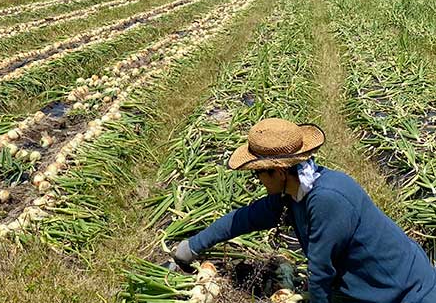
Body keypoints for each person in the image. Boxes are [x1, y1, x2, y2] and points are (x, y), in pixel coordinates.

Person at [172, 118, 436, 303]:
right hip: (370, 283)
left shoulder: (326, 200)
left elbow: (321, 272)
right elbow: (245, 218)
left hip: (404, 291)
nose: (257, 182)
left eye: (259, 176)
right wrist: (192, 246)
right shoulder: (292, 191)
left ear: (279, 172)